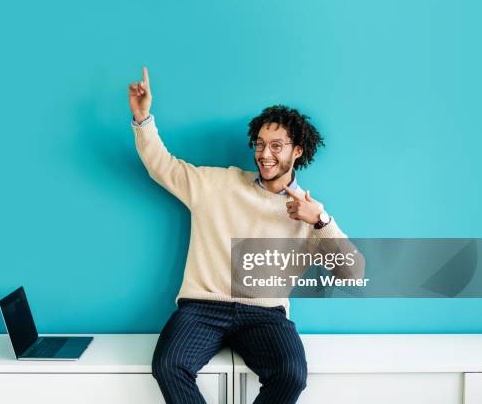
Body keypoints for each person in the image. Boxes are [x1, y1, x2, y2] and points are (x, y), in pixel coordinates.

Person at [128, 67, 362, 404]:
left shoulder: (310, 214)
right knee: (168, 364)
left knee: (291, 376)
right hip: (202, 308)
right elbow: (162, 166)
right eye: (261, 144)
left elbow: (354, 273)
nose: (265, 154)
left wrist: (321, 221)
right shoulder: (217, 184)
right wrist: (143, 119)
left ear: (297, 151)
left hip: (265, 314)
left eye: (277, 146)